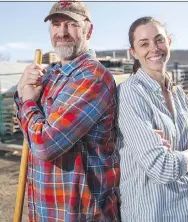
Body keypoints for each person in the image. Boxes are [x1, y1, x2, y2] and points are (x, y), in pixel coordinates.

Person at [14, 1, 120, 221]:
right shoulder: (51, 76)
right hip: (46, 210)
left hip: (81, 214)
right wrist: (22, 90)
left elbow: (44, 144)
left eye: (71, 24)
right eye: (56, 24)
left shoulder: (92, 77)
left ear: (88, 30)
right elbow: (30, 134)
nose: (62, 32)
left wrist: (26, 101)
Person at [116, 16, 188, 222]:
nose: (154, 48)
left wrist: (182, 157)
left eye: (159, 40)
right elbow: (163, 168)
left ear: (168, 42)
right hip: (153, 214)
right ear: (133, 52)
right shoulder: (130, 94)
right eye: (144, 43)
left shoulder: (179, 94)